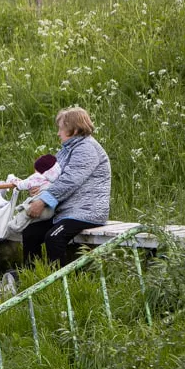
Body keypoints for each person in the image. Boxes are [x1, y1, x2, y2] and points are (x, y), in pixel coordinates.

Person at [21, 107, 111, 266]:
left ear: (75, 129)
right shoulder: (67, 149)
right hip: (69, 211)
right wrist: (39, 186)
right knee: (30, 233)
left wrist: (43, 201)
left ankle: (59, 285)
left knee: (54, 238)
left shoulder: (87, 148)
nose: (58, 133)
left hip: (87, 212)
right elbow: (52, 176)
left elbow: (70, 180)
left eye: (61, 129)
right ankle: (32, 279)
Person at [7, 153, 61, 231]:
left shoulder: (37, 177)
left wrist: (11, 178)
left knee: (24, 213)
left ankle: (14, 225)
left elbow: (21, 184)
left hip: (40, 207)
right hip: (52, 209)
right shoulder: (56, 178)